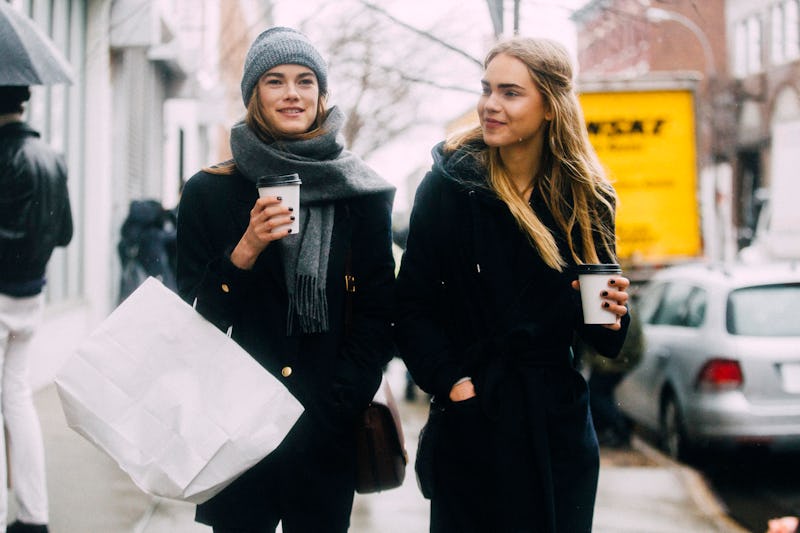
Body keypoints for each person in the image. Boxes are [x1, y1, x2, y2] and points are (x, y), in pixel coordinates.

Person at [394, 37, 630, 533]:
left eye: (510, 93)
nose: (490, 106)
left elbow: (606, 340)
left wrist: (614, 309)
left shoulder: (588, 198)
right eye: (486, 90)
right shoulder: (449, 187)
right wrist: (452, 383)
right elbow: (412, 305)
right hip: (474, 420)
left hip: (556, 430)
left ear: (550, 106)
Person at [176, 27, 396, 533]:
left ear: (322, 95)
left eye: (305, 81)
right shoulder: (210, 192)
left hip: (325, 426)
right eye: (275, 81)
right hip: (236, 428)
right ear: (254, 95)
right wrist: (247, 248)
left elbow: (379, 312)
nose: (292, 93)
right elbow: (194, 317)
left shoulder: (360, 193)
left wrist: (338, 403)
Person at [0, 86, 74, 533]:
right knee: (17, 397)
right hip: (31, 295)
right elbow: (63, 233)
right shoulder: (51, 156)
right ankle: (33, 515)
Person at [584, 305, 644, 449]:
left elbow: (620, 339)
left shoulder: (613, 302)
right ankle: (615, 430)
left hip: (616, 360)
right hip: (619, 358)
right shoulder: (619, 301)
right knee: (600, 393)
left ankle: (621, 430)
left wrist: (600, 361)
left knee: (597, 394)